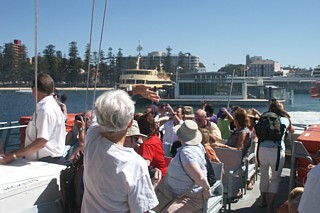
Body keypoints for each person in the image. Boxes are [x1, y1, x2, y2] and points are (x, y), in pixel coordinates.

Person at [81, 90, 158, 213]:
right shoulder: (135, 164)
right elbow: (141, 209)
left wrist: (133, 89)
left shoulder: (92, 138)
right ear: (130, 123)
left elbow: (106, 110)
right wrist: (153, 185)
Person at [0, 73, 66, 165]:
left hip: (46, 163)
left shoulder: (45, 109)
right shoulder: (52, 106)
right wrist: (19, 151)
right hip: (49, 161)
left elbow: (41, 142)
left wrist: (13, 156)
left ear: (35, 90)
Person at [163, 120, 212, 212]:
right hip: (179, 194)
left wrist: (207, 189)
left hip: (188, 197)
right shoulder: (198, 146)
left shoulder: (187, 153)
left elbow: (200, 178)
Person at [258, 100, 295, 213]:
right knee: (275, 179)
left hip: (262, 150)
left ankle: (263, 201)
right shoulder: (284, 119)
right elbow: (292, 130)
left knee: (264, 176)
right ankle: (270, 207)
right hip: (277, 151)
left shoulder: (264, 118)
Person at [137, 112, 168, 179]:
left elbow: (145, 165)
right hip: (164, 175)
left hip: (157, 178)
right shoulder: (155, 138)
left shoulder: (147, 145)